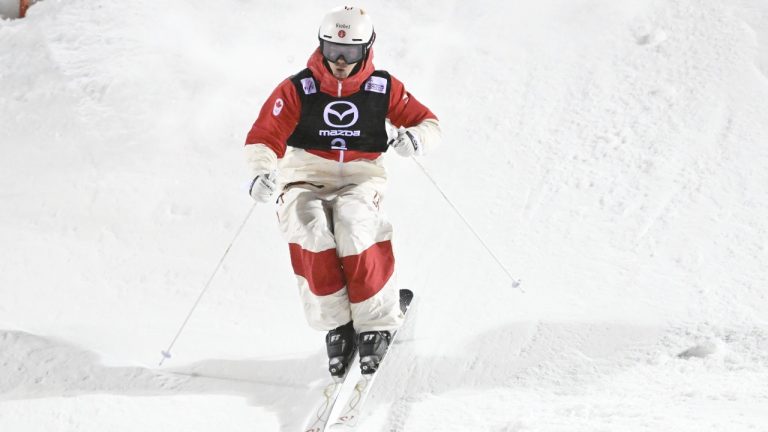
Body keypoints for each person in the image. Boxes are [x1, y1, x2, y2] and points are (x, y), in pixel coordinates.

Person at [243, 6, 441, 377]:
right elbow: (263, 137)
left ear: (366, 49)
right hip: (305, 173)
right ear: (320, 45)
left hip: (360, 176)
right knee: (308, 226)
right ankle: (337, 323)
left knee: (354, 224)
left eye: (349, 53)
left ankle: (377, 321)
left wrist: (415, 138)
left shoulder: (382, 88)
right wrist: (260, 174)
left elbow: (428, 122)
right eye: (332, 49)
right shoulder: (298, 87)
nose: (339, 61)